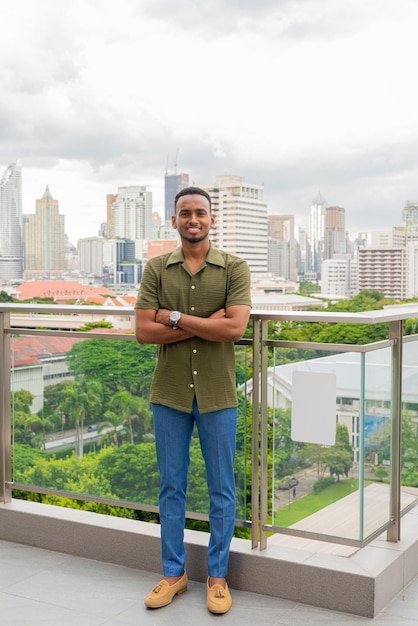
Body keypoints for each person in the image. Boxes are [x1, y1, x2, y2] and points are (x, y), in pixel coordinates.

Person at [135, 186, 251, 614]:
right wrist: (206, 322)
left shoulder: (235, 268)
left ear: (212, 219)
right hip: (169, 393)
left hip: (218, 394)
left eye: (200, 213)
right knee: (171, 487)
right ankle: (173, 574)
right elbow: (145, 332)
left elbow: (235, 329)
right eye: (185, 213)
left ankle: (217, 577)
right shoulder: (156, 269)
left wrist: (175, 318)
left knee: (222, 489)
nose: (193, 220)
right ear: (174, 221)